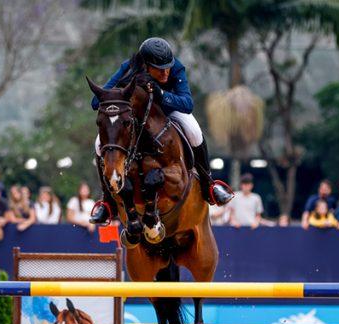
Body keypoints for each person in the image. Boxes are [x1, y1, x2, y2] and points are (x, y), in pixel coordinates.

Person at [88, 37, 233, 224]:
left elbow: (187, 104)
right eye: (160, 68)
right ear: (146, 65)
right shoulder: (129, 67)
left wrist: (160, 93)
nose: (166, 72)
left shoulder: (177, 68)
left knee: (194, 130)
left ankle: (209, 185)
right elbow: (96, 101)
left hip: (169, 112)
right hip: (137, 118)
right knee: (99, 144)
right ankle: (107, 202)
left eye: (168, 66)